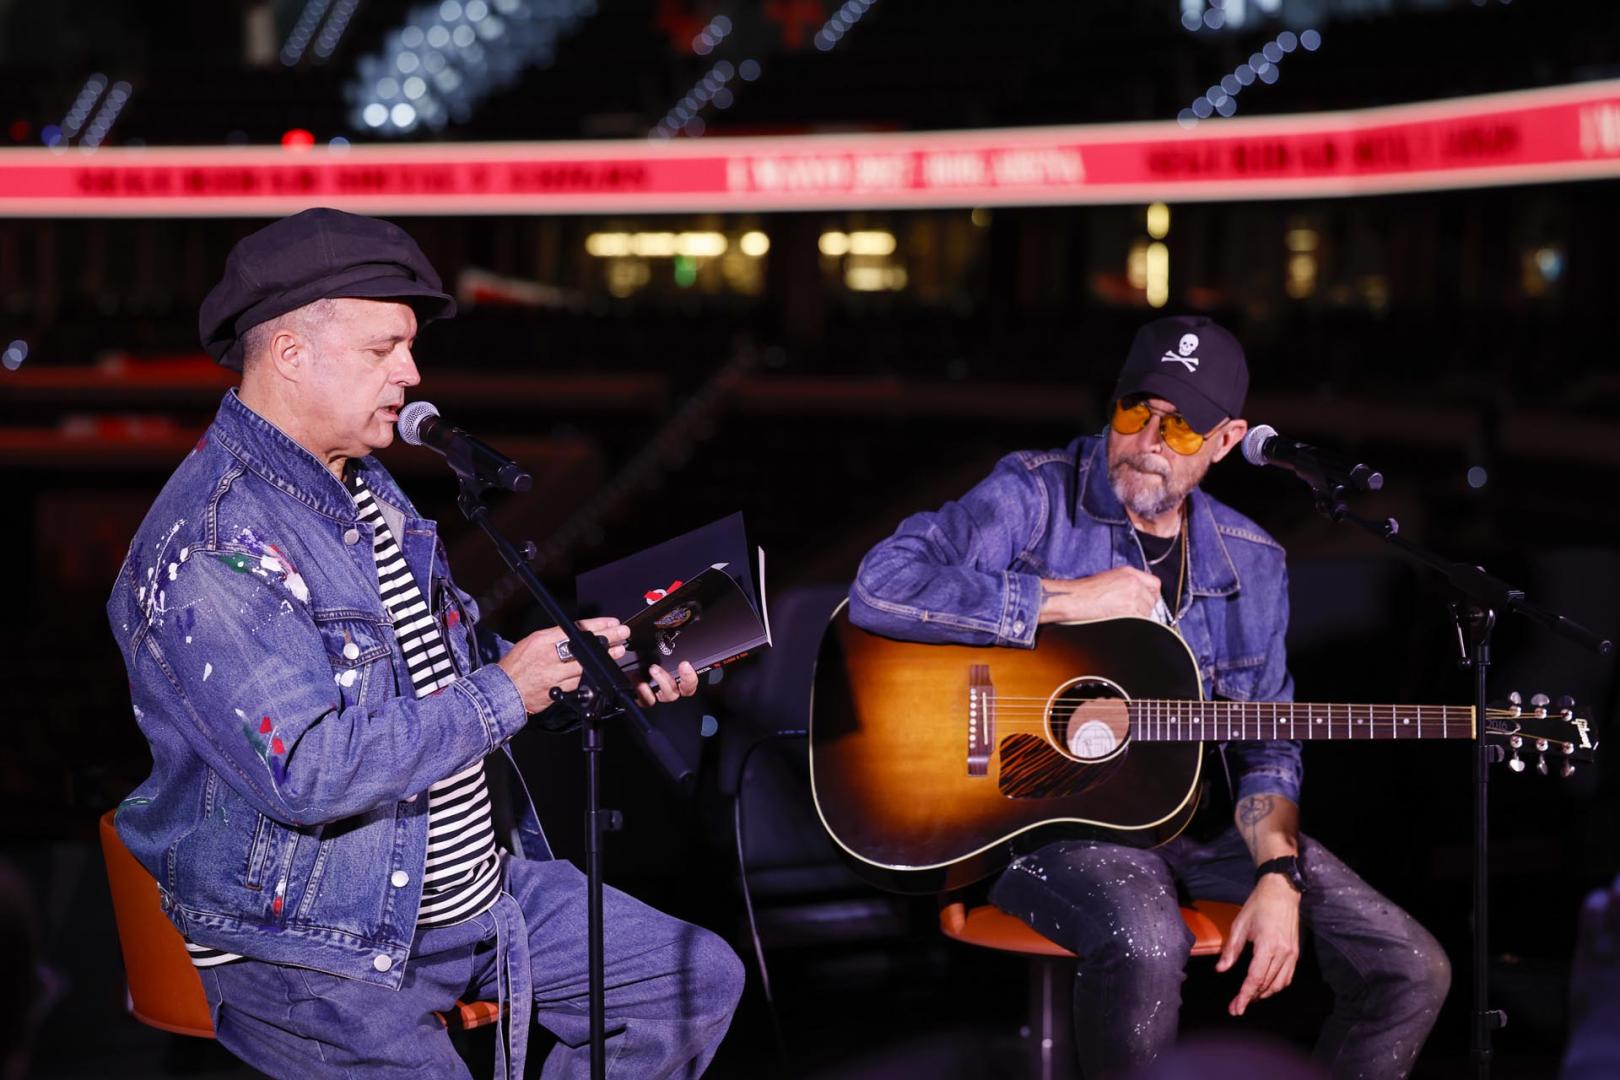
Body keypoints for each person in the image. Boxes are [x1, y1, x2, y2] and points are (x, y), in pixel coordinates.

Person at [107, 208, 743, 1079]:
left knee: (690, 981)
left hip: (466, 896)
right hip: (313, 941)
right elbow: (308, 771)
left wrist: (579, 675)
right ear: (290, 354)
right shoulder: (216, 541)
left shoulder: (368, 493)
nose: (411, 374)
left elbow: (449, 673)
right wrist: (503, 693)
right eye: (383, 349)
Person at [848, 315, 1450, 1078]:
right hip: (1035, 822)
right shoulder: (1033, 494)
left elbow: (1267, 745)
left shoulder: (1253, 562)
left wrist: (1276, 874)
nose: (1149, 440)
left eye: (1184, 426)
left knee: (1411, 968)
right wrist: (1062, 599)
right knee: (1148, 939)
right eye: (1137, 411)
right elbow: (881, 585)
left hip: (1196, 831)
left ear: (1228, 440)